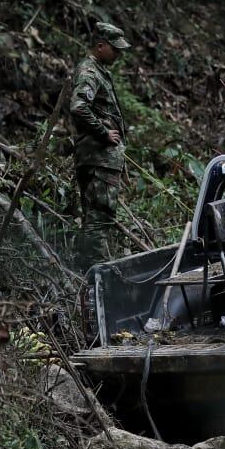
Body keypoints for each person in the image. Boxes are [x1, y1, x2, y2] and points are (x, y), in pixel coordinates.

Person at [69, 21, 131, 268]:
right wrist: (104, 133)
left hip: (97, 157)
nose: (118, 55)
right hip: (98, 157)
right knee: (100, 215)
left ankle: (86, 268)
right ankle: (95, 270)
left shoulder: (97, 71)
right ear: (100, 46)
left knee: (94, 215)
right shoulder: (90, 72)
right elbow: (78, 107)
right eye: (115, 49)